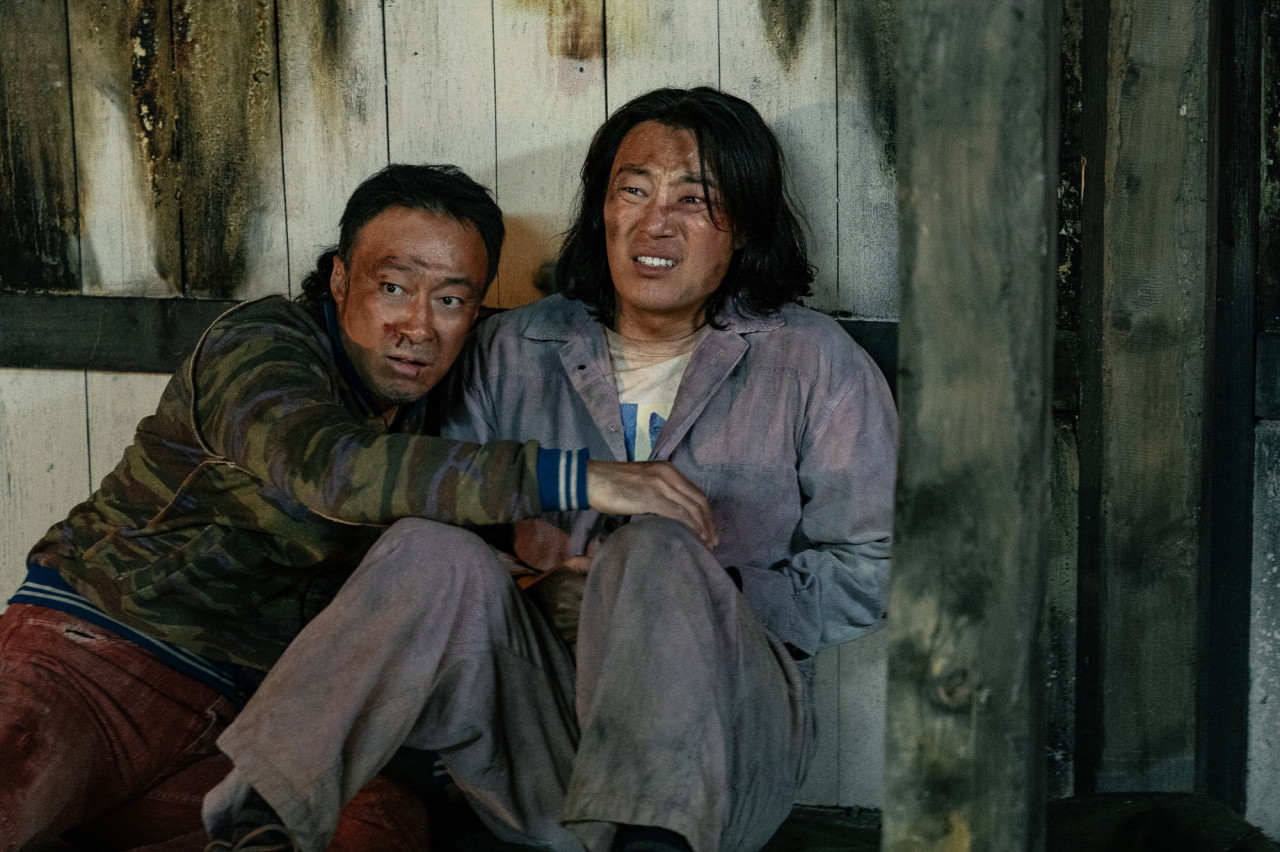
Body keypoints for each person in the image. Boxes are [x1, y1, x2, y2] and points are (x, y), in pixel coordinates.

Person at [201, 87, 897, 852]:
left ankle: (653, 841)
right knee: (426, 548)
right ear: (602, 210)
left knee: (655, 549)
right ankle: (257, 826)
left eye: (693, 199)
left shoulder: (815, 364)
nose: (655, 222)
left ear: (748, 224)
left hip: (724, 757)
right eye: (633, 190)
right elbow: (449, 516)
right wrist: (540, 589)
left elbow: (870, 572)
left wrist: (689, 598)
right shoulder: (514, 350)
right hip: (541, 743)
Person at [0, 163, 712, 852]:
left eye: (451, 301)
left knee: (381, 828)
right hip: (99, 653)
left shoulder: (446, 398)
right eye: (394, 287)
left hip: (258, 724)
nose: (418, 326)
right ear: (340, 279)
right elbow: (334, 470)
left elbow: (436, 572)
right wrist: (581, 477)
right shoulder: (261, 345)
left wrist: (543, 588)